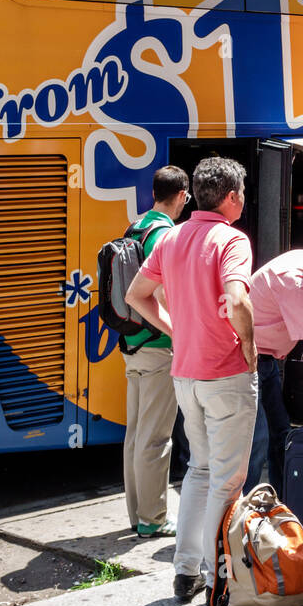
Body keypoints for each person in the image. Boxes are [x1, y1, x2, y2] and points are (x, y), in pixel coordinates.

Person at [125, 157, 258, 604]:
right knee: (227, 479)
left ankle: (186, 571)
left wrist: (175, 330)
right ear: (232, 196)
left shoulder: (174, 236)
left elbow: (135, 295)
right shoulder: (232, 240)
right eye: (242, 191)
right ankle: (217, 576)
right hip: (226, 374)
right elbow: (238, 300)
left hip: (185, 374)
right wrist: (250, 346)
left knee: (199, 471)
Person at [119, 167, 189, 538]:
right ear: (180, 195)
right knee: (157, 437)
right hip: (158, 346)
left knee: (136, 433)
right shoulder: (165, 234)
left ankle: (137, 514)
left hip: (132, 344)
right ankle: (153, 518)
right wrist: (177, 333)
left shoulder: (136, 226)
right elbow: (160, 294)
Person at [247, 247, 303, 494]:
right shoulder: (294, 280)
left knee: (279, 433)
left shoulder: (302, 259)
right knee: (257, 440)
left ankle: (281, 497)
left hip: (264, 359)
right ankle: (242, 510)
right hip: (249, 359)